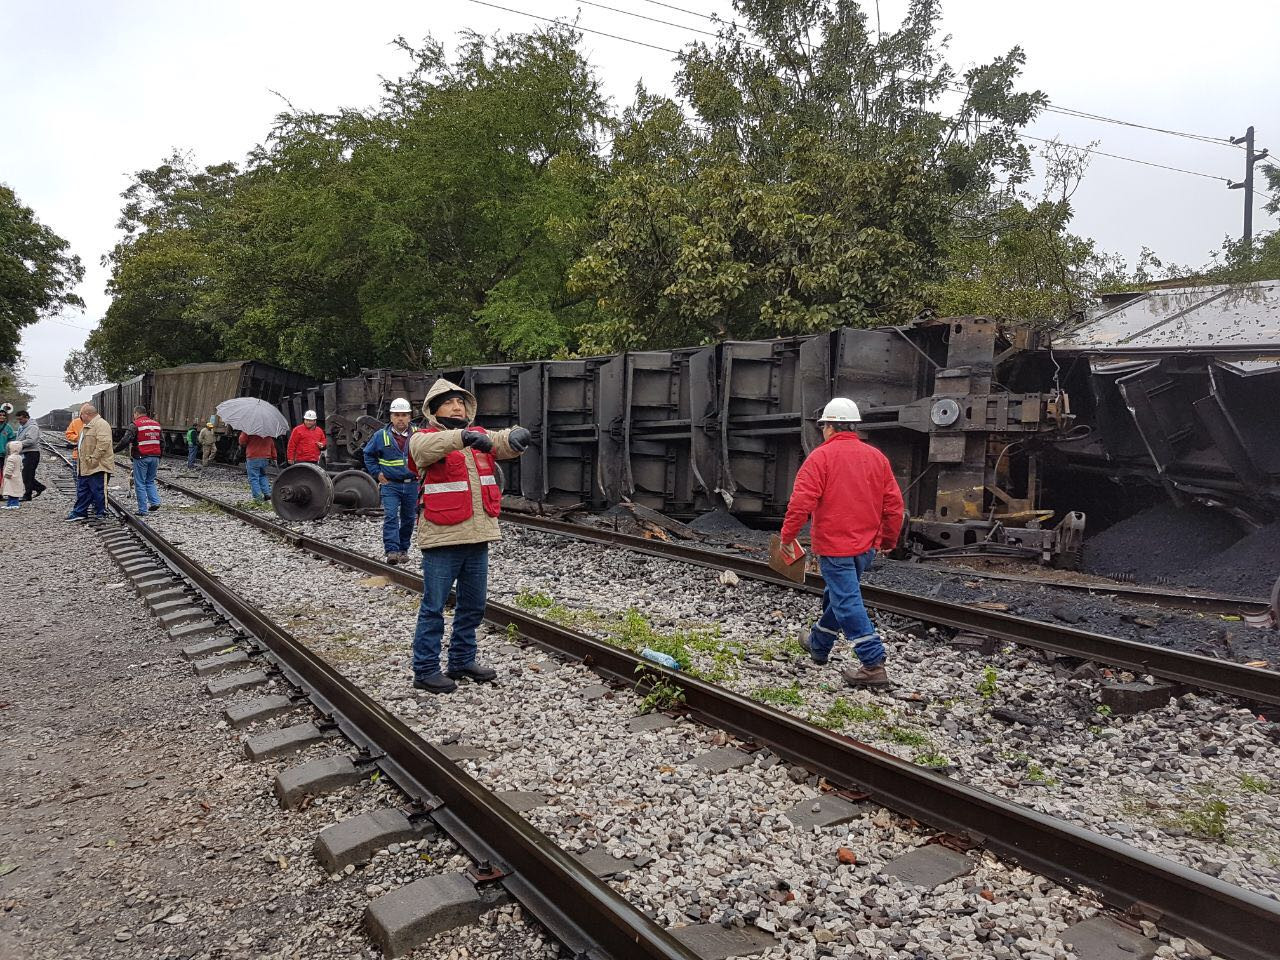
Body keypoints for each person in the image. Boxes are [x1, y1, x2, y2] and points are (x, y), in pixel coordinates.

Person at [408, 379, 531, 694]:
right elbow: (424, 450)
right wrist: (463, 436)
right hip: (442, 538)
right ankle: (424, 670)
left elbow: (500, 441)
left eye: (461, 402)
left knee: (473, 605)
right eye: (449, 402)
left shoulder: (477, 436)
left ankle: (462, 660)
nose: (457, 407)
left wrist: (516, 435)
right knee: (434, 606)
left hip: (477, 536)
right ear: (434, 410)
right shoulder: (423, 438)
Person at [780, 397, 904, 688]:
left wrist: (787, 536)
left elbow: (801, 503)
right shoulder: (876, 458)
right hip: (866, 546)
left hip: (835, 546)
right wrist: (888, 538)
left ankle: (873, 663)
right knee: (839, 595)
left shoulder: (820, 458)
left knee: (847, 601)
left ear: (829, 427)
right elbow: (894, 505)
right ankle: (819, 645)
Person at [362, 397, 418, 564]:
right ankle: (392, 551)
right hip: (390, 485)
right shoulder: (381, 436)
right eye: (396, 415)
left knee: (408, 518)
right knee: (391, 516)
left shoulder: (418, 435)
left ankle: (403, 550)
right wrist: (377, 474)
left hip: (412, 484)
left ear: (409, 416)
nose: (400, 418)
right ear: (391, 417)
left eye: (404, 415)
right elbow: (368, 454)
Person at [66, 403, 113, 522]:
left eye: (81, 415)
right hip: (86, 465)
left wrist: (94, 459)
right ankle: (80, 512)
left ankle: (101, 512)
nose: (80, 418)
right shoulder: (87, 426)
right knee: (84, 489)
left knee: (98, 490)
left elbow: (103, 444)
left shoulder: (101, 424)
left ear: (86, 414)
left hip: (97, 465)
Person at [114, 405, 162, 516]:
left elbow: (126, 440)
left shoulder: (135, 425)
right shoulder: (156, 425)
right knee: (150, 481)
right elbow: (162, 442)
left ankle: (143, 510)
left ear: (136, 413)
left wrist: (114, 450)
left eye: (134, 414)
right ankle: (155, 502)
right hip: (155, 456)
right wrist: (159, 456)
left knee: (139, 483)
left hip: (141, 457)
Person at [14, 411, 46, 501]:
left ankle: (28, 494)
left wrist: (18, 443)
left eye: (20, 419)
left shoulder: (32, 427)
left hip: (32, 453)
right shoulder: (23, 427)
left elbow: (31, 440)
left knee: (27, 475)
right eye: (18, 419)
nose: (19, 421)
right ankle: (38, 488)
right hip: (27, 453)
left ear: (26, 417)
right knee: (27, 474)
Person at [239, 431, 275, 501]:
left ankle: (258, 497)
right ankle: (267, 493)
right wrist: (274, 457)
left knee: (253, 478)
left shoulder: (248, 429)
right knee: (262, 475)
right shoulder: (266, 430)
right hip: (265, 457)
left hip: (253, 457)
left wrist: (243, 434)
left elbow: (242, 441)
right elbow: (272, 444)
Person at [3, 440, 24, 509]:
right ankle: (13, 504)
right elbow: (21, 467)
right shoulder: (19, 457)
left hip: (11, 477)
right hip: (18, 476)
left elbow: (9, 468)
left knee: (11, 491)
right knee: (15, 491)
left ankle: (13, 504)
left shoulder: (11, 458)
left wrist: (7, 475)